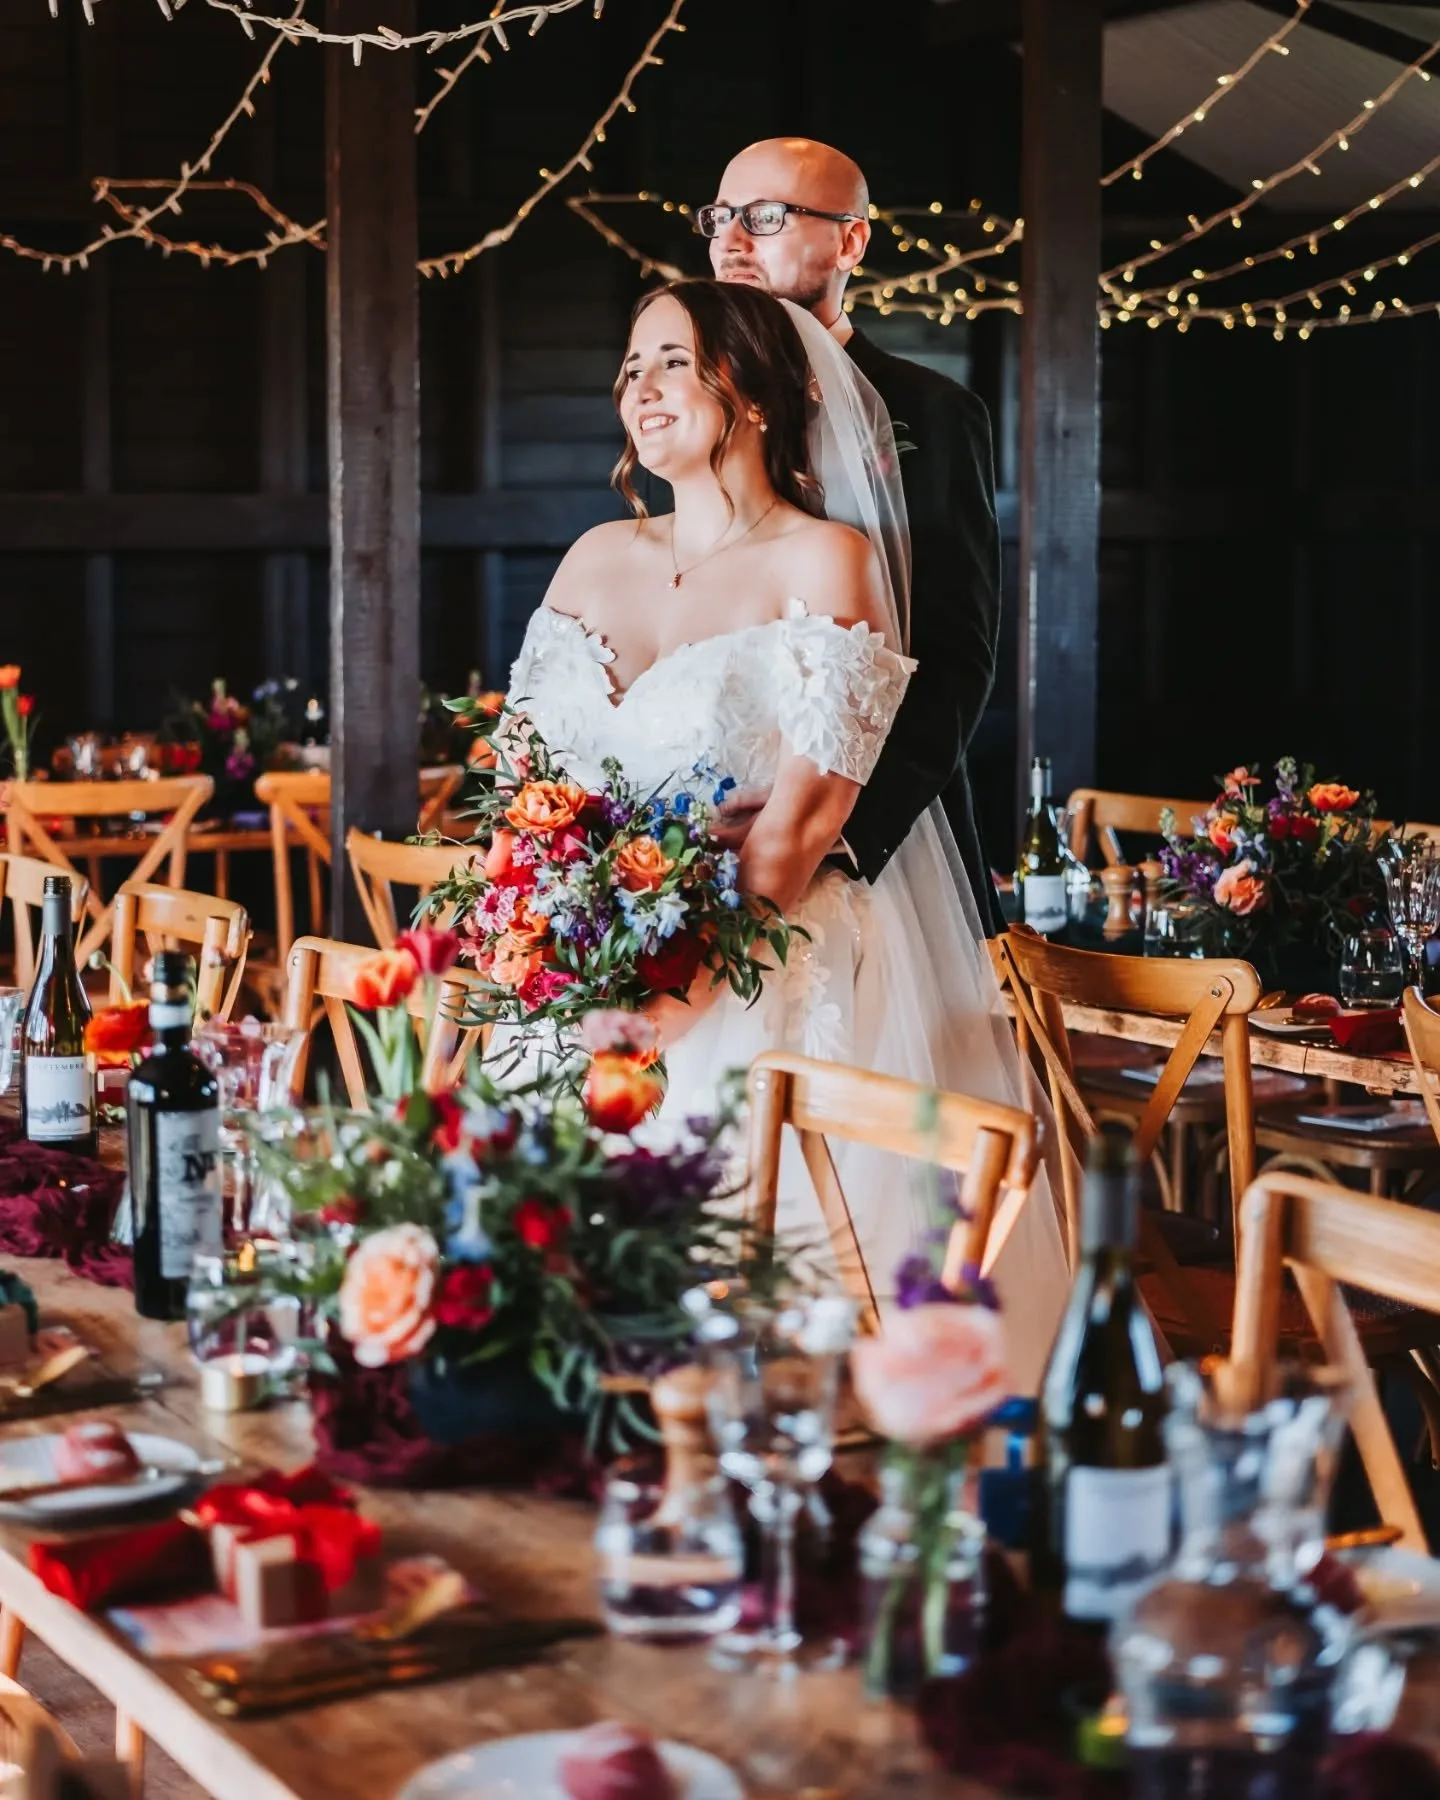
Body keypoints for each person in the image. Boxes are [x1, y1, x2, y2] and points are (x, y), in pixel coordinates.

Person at [499, 278, 1066, 1384]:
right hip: (564, 987)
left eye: (672, 360)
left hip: (756, 984)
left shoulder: (828, 561)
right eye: (630, 366)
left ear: (753, 391)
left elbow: (802, 823)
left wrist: (664, 1007)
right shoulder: (593, 559)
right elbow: (518, 793)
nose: (641, 389)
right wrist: (527, 966)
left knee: (754, 1345)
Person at [705, 136, 1003, 934]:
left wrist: (841, 828)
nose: (731, 242)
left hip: (876, 841)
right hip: (701, 828)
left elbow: (957, 653)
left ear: (851, 240)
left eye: (764, 217)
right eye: (721, 217)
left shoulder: (934, 414)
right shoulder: (684, 404)